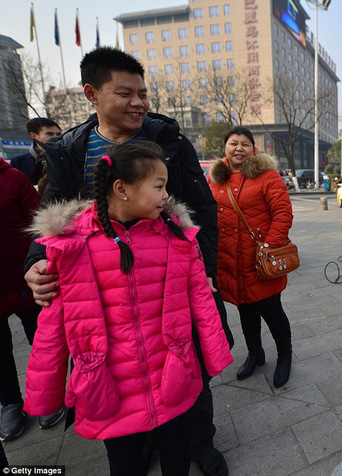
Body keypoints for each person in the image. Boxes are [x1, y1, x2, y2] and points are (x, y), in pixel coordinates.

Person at [22, 47, 231, 475]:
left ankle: (200, 442)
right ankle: (140, 439)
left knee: (185, 364)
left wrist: (202, 270)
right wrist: (36, 262)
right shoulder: (68, 152)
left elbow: (202, 212)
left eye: (143, 93)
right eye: (125, 93)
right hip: (105, 295)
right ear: (91, 94)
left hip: (168, 281)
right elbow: (53, 219)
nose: (139, 102)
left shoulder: (169, 141)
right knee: (117, 375)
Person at [208, 126, 294, 388]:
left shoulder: (267, 176)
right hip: (230, 260)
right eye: (233, 143)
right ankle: (255, 354)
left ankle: (284, 357)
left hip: (260, 260)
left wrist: (268, 246)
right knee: (245, 310)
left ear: (253, 149)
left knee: (272, 311)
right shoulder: (215, 179)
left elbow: (283, 213)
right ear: (225, 148)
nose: (238, 148)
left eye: (245, 144)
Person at [0, 157, 65, 441]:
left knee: (42, 339)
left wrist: (37, 263)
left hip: (25, 279)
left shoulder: (12, 177)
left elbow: (41, 226)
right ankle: (10, 403)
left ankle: (50, 394)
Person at [10, 118, 61, 190]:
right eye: (50, 134)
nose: (56, 137)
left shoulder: (67, 157)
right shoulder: (18, 162)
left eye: (58, 134)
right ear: (33, 136)